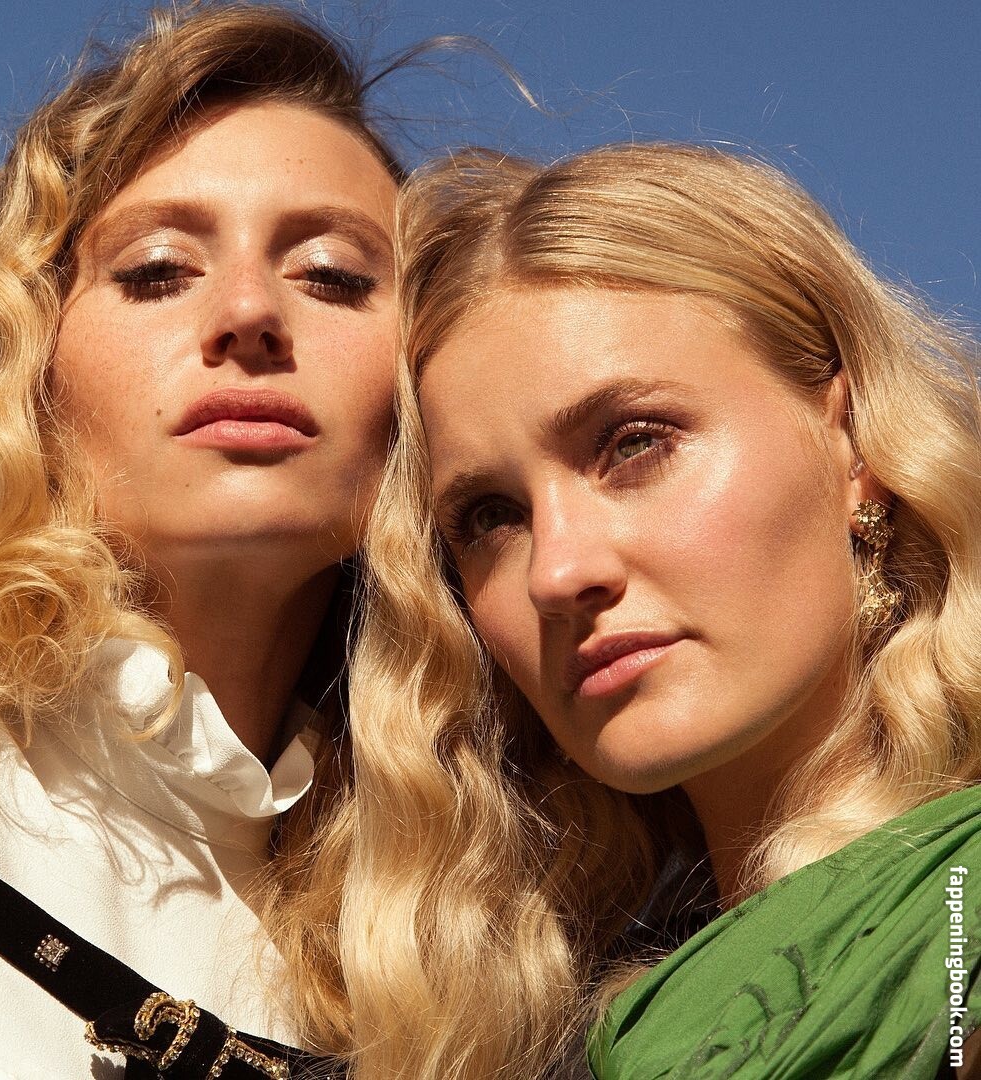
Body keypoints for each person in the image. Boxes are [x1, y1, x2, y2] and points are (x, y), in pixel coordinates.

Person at [347, 142, 981, 1078]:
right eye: (491, 517)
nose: (556, 572)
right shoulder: (566, 1028)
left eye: (634, 444)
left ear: (854, 443)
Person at [0, 4, 404, 1076]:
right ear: (34, 369)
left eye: (331, 274)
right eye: (158, 269)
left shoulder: (466, 934)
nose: (249, 312)